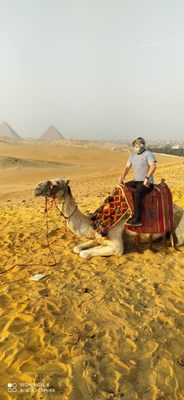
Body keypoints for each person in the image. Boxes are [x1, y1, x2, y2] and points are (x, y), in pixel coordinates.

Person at [118, 137, 157, 227]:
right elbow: (127, 167)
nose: (138, 145)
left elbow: (153, 166)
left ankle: (137, 220)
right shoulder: (132, 156)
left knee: (138, 194)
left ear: (144, 144)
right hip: (137, 181)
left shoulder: (148, 154)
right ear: (133, 145)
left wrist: (147, 178)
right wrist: (122, 176)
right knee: (123, 188)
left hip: (147, 183)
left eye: (140, 143)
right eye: (136, 144)